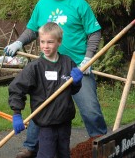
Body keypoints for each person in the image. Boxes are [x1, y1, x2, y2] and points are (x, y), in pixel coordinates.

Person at [4, 0, 107, 158]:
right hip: (48, 67)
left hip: (77, 67)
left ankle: (102, 143)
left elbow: (94, 32)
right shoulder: (42, 4)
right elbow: (33, 30)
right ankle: (30, 147)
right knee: (42, 106)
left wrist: (88, 57)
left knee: (90, 109)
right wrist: (19, 42)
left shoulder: (79, 5)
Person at [9, 22, 83, 158]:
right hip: (45, 122)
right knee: (47, 154)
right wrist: (17, 113)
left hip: (64, 121)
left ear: (59, 42)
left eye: (50, 42)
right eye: (42, 42)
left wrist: (77, 82)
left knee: (64, 153)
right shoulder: (35, 67)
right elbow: (17, 89)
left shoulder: (68, 63)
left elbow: (73, 90)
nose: (45, 46)